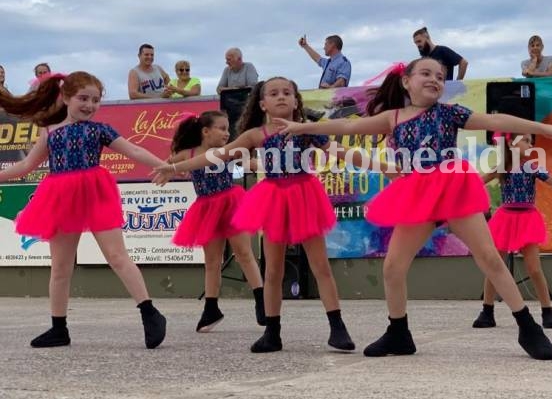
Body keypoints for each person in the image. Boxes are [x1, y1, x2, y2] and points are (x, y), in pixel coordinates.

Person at [274, 59, 552, 360]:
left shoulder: (449, 112)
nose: (434, 79)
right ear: (406, 81)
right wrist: (305, 126)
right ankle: (398, 332)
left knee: (489, 258)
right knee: (393, 267)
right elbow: (347, 125)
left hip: (452, 188)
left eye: (441, 76)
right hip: (417, 191)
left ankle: (528, 327)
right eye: (426, 74)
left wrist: (541, 128)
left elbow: (495, 122)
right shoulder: (392, 117)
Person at [153, 77, 358, 354]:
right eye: (274, 93)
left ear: (296, 101)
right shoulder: (255, 135)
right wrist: (174, 168)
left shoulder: (307, 130)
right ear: (263, 103)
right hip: (273, 197)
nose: (281, 97)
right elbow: (216, 156)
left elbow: (340, 151)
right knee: (273, 270)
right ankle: (272, 331)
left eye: (287, 92)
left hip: (304, 194)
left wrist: (381, 165)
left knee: (320, 266)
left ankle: (337, 326)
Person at [0, 71, 168, 349]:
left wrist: (164, 166)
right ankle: (58, 328)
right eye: (83, 98)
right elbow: (25, 166)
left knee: (117, 256)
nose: (90, 105)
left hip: (94, 193)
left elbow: (134, 151)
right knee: (61, 268)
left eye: (96, 100)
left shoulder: (99, 130)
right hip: (60, 197)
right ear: (65, 98)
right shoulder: (50, 132)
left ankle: (150, 313)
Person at [472, 132, 552, 330]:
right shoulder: (503, 168)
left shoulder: (532, 167)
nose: (530, 144)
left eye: (531, 141)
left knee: (534, 268)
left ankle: (547, 311)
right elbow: (476, 183)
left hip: (527, 219)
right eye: (526, 140)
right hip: (505, 218)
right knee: (495, 265)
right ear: (511, 143)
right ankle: (487, 310)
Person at [167, 111, 265, 332]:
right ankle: (211, 309)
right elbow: (166, 164)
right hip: (206, 209)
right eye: (222, 128)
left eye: (228, 129)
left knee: (244, 253)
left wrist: (272, 165)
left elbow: (249, 162)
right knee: (212, 261)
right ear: (205, 131)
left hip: (231, 203)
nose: (227, 133)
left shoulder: (226, 152)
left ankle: (261, 301)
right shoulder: (188, 154)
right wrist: (165, 170)